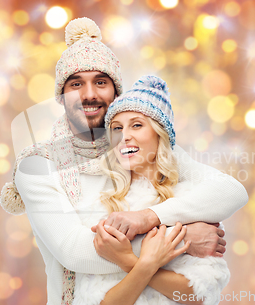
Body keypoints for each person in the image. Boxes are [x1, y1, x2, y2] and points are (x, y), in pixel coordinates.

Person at [0, 17, 248, 304]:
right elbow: (76, 252)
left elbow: (231, 191)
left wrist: (148, 219)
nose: (89, 94)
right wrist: (184, 239)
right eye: (76, 83)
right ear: (61, 95)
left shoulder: (139, 147)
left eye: (101, 82)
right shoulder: (37, 165)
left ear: (116, 91)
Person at [71, 75, 231, 305]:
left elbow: (199, 296)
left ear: (160, 134)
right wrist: (149, 260)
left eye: (137, 125)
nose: (125, 136)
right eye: (116, 128)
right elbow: (97, 301)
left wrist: (128, 260)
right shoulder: (100, 202)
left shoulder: (193, 201)